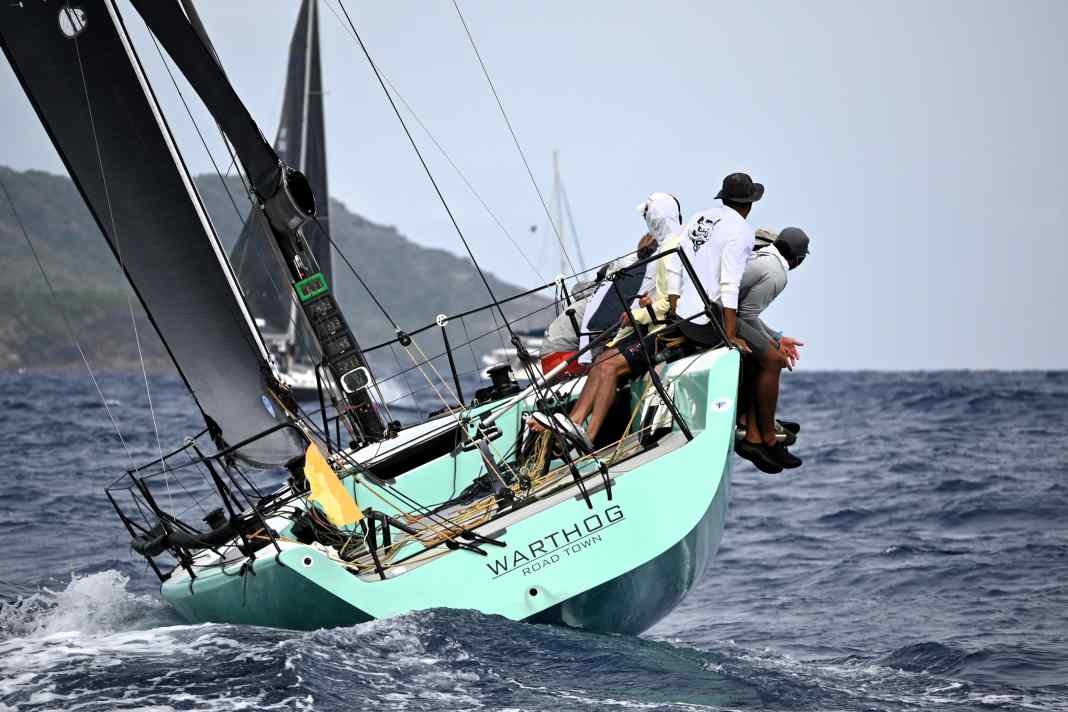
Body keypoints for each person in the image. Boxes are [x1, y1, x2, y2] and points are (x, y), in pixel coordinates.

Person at [540, 173, 765, 450]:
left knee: (607, 366)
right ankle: (573, 423)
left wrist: (638, 314)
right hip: (668, 323)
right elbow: (677, 295)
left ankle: (590, 433)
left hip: (666, 329)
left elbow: (670, 302)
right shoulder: (689, 239)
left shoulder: (676, 244)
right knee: (603, 362)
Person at [733, 227, 810, 473]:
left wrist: (775, 338)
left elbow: (745, 311)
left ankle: (755, 434)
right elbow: (746, 314)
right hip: (724, 315)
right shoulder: (777, 273)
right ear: (798, 259)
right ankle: (767, 438)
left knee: (766, 357)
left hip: (727, 313)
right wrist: (774, 344)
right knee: (774, 361)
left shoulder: (765, 258)